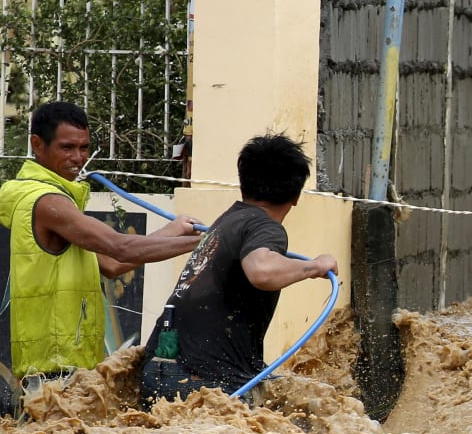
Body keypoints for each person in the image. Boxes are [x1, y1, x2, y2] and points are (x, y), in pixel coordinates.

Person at [0, 101, 201, 394]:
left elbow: (112, 264)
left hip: (66, 371)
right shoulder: (50, 202)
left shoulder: (25, 195)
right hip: (57, 375)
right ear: (37, 145)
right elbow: (121, 248)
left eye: (84, 148)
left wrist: (174, 229)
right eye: (67, 148)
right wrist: (208, 241)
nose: (78, 158)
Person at [139, 132, 338, 409]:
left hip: (157, 369)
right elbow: (262, 270)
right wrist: (314, 266)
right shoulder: (265, 227)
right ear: (296, 196)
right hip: (206, 380)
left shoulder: (227, 221)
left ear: (243, 185)